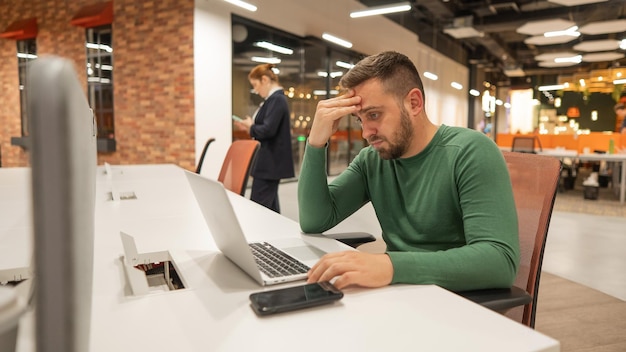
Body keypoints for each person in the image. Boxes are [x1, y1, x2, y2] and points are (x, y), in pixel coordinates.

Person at [298, 51, 519, 291]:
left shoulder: (470, 151)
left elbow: (499, 261)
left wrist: (391, 266)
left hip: (456, 301)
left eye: (374, 115)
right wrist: (316, 142)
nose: (366, 133)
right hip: (398, 292)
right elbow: (314, 220)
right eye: (360, 120)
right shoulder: (372, 160)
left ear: (414, 103)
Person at [234, 64, 294, 213]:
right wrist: (250, 127)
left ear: (265, 80)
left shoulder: (277, 100)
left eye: (255, 85)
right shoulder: (273, 100)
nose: (255, 90)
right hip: (269, 163)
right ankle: (275, 234)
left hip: (270, 163)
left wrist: (251, 127)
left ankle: (260, 235)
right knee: (270, 208)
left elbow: (268, 130)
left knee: (258, 207)